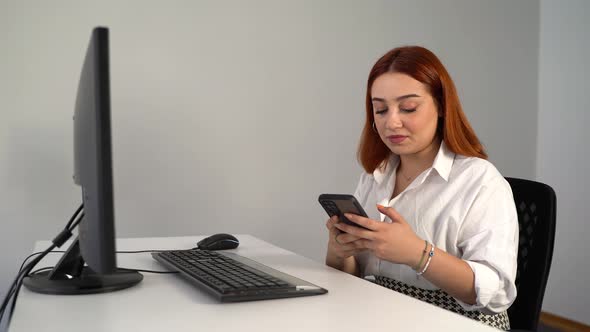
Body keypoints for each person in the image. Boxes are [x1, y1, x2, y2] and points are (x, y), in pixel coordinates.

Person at [325, 46, 518, 330]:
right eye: (380, 109)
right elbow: (353, 276)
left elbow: (494, 292)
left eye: (408, 108)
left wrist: (417, 253)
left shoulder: (481, 181)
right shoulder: (376, 174)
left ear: (441, 106)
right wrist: (339, 251)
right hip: (387, 315)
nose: (391, 121)